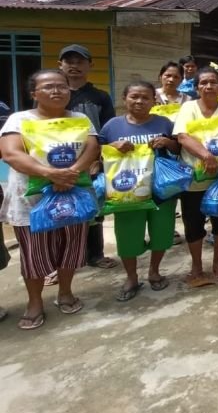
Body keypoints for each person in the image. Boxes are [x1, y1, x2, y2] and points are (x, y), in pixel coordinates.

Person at [0, 69, 100, 330]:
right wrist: (49, 173)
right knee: (34, 255)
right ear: (34, 94)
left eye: (62, 86)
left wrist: (72, 172)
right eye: (48, 87)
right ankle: (34, 302)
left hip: (73, 195)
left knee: (71, 248)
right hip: (33, 201)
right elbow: (10, 154)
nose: (57, 91)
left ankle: (65, 292)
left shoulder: (80, 118)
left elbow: (92, 146)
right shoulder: (18, 120)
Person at [99, 81, 180, 301]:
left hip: (162, 190)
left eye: (145, 97)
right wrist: (112, 146)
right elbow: (96, 153)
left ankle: (154, 271)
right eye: (134, 96)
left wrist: (167, 142)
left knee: (162, 233)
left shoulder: (165, 123)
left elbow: (179, 148)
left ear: (154, 100)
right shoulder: (112, 126)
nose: (139, 101)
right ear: (124, 99)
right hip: (127, 192)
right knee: (127, 237)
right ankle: (131, 277)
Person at [173, 67, 218, 286]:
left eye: (213, 82)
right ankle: (196, 266)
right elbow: (182, 137)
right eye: (203, 83)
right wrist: (206, 155)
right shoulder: (188, 108)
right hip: (193, 179)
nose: (209, 86)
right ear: (196, 87)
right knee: (193, 224)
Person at [59, 44, 117, 272]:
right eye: (69, 61)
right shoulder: (54, 95)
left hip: (92, 161)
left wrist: (98, 160)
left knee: (94, 208)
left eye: (79, 61)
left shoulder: (100, 96)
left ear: (90, 65)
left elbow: (108, 129)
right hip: (58, 162)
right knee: (62, 209)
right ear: (60, 65)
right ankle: (68, 259)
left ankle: (96, 254)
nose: (74, 66)